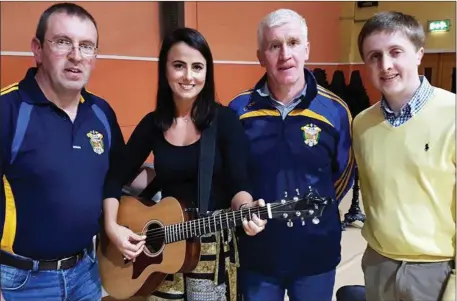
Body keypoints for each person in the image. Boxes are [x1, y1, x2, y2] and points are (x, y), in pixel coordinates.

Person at [116, 27, 267, 301]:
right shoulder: (153, 124)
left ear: (207, 73)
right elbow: (117, 177)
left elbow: (239, 184)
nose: (188, 76)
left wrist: (246, 209)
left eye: (197, 67)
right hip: (161, 247)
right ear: (165, 70)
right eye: (179, 66)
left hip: (210, 248)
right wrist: (117, 225)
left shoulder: (224, 121)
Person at [0, 2, 133, 301]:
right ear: (37, 49)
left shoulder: (101, 112)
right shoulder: (7, 110)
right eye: (63, 42)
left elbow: (121, 174)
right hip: (20, 283)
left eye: (87, 46)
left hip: (86, 273)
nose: (76, 56)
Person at [228, 8, 355, 301]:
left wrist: (312, 204)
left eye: (294, 43)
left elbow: (342, 175)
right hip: (258, 256)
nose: (285, 54)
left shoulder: (335, 111)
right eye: (274, 46)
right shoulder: (237, 110)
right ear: (261, 56)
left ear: (307, 49)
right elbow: (232, 175)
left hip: (315, 255)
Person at [352, 11, 455, 301]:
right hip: (378, 264)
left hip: (437, 270)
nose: (385, 65)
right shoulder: (362, 124)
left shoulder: (452, 115)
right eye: (374, 56)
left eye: (395, 52)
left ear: (419, 54)